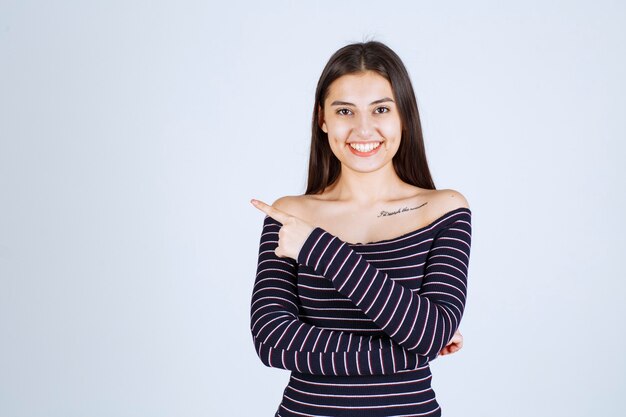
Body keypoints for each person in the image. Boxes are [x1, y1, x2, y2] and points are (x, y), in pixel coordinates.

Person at [249, 40, 472, 417]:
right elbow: (273, 343)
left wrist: (317, 249)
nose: (362, 129)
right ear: (323, 119)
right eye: (345, 111)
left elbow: (430, 333)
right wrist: (413, 347)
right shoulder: (289, 215)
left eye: (381, 109)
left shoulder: (443, 209)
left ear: (404, 117)